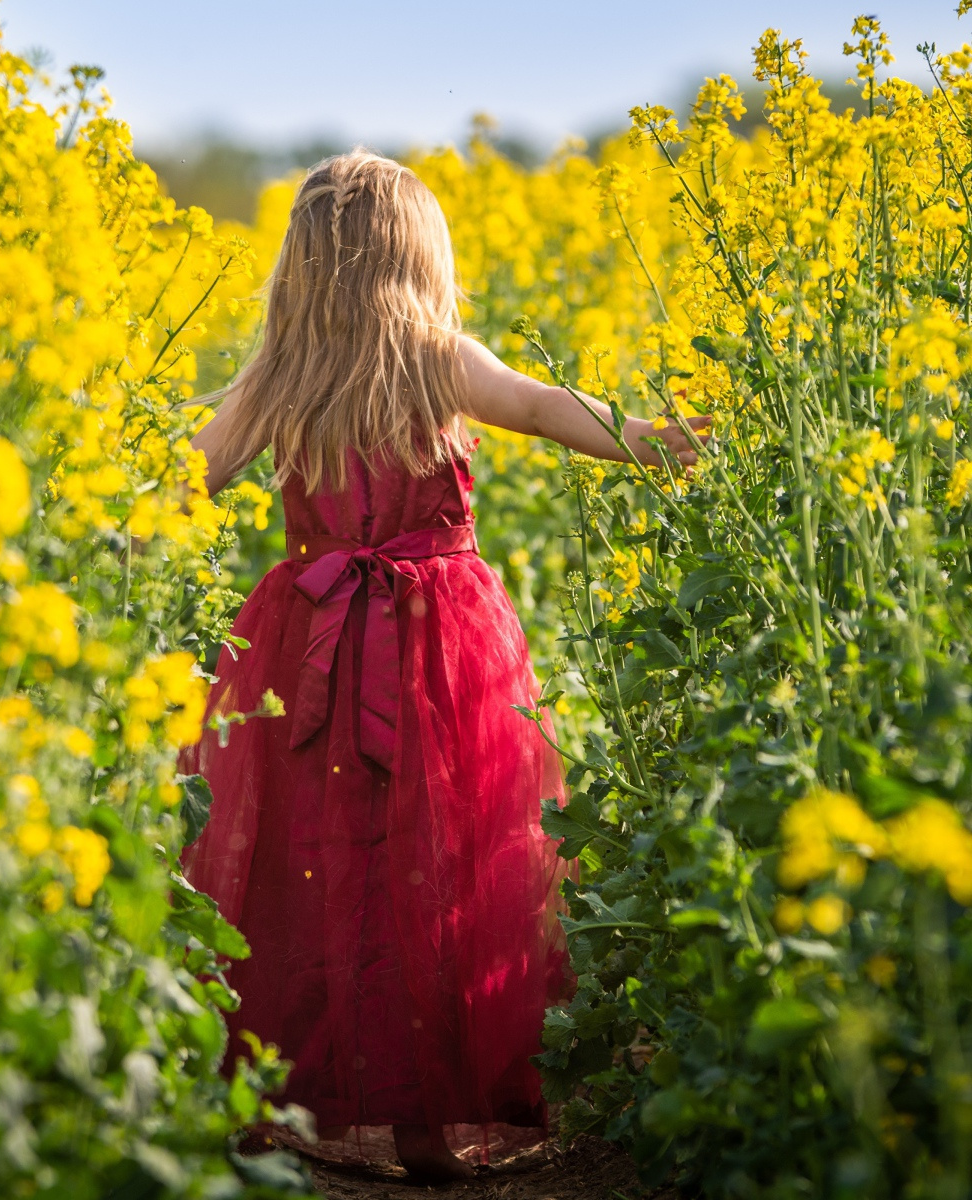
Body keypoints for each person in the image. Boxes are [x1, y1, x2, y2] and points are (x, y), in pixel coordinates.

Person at [183, 150, 709, 1184]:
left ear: (301, 265)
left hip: (310, 643)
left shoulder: (281, 371)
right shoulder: (435, 353)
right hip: (441, 640)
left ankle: (309, 1097)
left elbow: (185, 475)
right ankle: (435, 1116)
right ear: (419, 258)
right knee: (448, 863)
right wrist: (655, 441)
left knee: (318, 864)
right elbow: (545, 405)